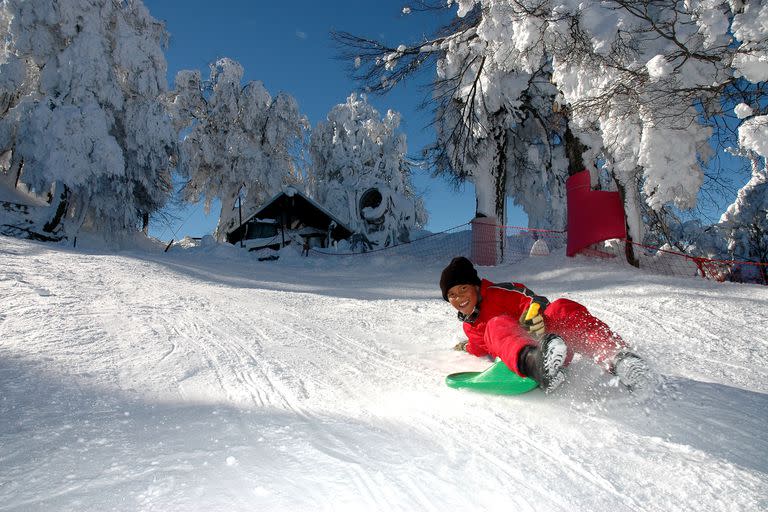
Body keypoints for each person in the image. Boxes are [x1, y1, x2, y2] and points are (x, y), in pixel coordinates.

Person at [440, 256, 651, 392]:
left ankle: (618, 359)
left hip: (552, 343)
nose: (459, 298)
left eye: (463, 289)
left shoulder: (499, 293)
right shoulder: (470, 327)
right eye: (451, 295)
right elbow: (479, 347)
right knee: (496, 326)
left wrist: (534, 316)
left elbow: (534, 300)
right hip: (527, 359)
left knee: (561, 307)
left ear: (476, 287)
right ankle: (537, 364)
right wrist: (465, 346)